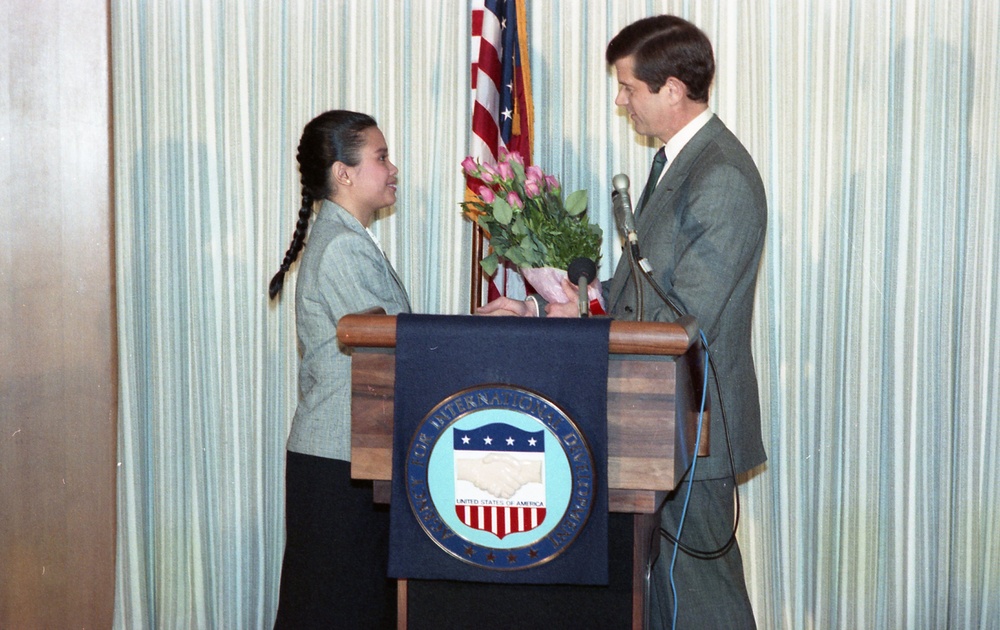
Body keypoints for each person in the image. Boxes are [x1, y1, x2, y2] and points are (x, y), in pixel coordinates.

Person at [479, 15, 767, 629]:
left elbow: (686, 315)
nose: (620, 101)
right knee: (663, 590)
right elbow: (639, 287)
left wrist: (598, 322)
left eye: (628, 88)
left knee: (701, 594)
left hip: (695, 420)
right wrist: (543, 306)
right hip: (658, 416)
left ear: (671, 89)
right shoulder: (676, 163)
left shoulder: (720, 176)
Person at [268, 110, 411, 629]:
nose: (392, 168)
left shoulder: (346, 238)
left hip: (347, 459)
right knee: (337, 609)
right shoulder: (344, 245)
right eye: (381, 157)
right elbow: (390, 346)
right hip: (340, 463)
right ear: (343, 173)